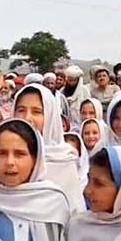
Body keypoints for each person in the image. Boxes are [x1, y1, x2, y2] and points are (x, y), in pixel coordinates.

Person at [12, 83, 85, 212]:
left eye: (37, 112)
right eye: (21, 110)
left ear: (50, 115)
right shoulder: (4, 155)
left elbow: (74, 213)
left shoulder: (63, 161)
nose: (27, 118)